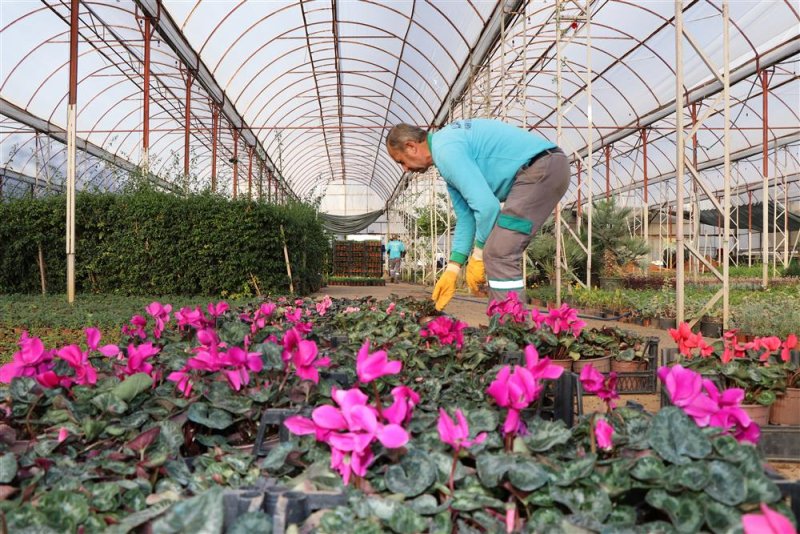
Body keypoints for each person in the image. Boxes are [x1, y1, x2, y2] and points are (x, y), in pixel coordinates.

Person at [386, 119, 570, 311]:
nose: (405, 169)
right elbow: (466, 218)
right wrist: (452, 269)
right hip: (542, 169)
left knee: (499, 253)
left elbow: (488, 208)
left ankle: (511, 327)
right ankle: (508, 326)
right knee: (498, 251)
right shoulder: (446, 151)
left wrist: (479, 254)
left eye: (401, 161)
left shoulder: (446, 150)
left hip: (541, 168)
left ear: (411, 146)